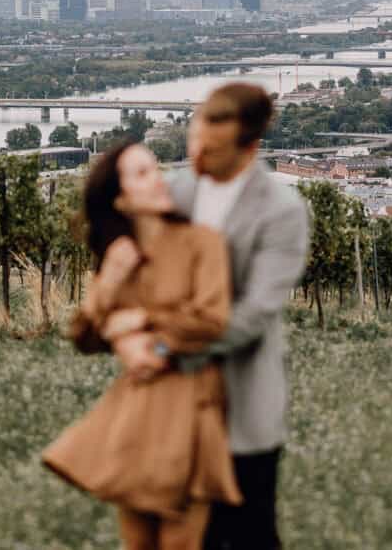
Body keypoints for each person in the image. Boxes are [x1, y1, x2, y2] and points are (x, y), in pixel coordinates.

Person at [115, 83, 310, 550]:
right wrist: (126, 334)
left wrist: (163, 347)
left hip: (242, 405)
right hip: (169, 404)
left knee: (249, 535)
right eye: (195, 142)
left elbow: (254, 314)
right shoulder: (177, 191)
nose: (198, 156)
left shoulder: (283, 212)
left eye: (213, 149)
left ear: (250, 147)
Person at [42, 141, 242, 550]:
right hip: (135, 411)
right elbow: (83, 337)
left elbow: (211, 321)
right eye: (143, 173)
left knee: (180, 543)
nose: (159, 179)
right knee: (136, 543)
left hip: (191, 407)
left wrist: (147, 332)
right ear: (120, 198)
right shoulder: (120, 254)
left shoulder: (201, 243)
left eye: (155, 169)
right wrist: (110, 289)